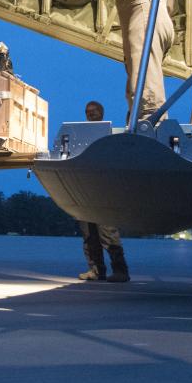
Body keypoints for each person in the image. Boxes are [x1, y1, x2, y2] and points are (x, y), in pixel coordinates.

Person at [77, 101, 130, 283]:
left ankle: (120, 271)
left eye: (94, 111)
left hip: (104, 193)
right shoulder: (81, 136)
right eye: (87, 112)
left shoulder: (109, 135)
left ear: (102, 112)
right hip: (85, 192)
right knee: (89, 235)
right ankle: (96, 270)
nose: (90, 114)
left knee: (108, 233)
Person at [115, 0, 174, 122]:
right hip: (152, 11)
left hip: (145, 13)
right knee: (143, 90)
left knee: (148, 102)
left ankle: (149, 131)